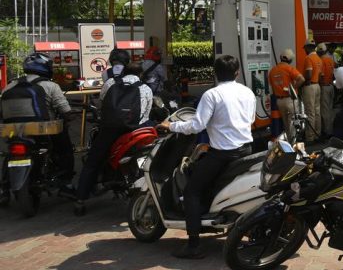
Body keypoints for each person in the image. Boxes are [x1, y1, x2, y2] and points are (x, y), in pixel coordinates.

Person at [158, 55, 256, 259]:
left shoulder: (212, 95)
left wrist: (171, 126)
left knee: (192, 190)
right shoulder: (247, 92)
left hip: (222, 154)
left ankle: (193, 244)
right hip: (246, 149)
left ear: (215, 73)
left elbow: (197, 125)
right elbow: (251, 119)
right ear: (237, 72)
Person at [75, 61, 153, 215]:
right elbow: (146, 112)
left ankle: (80, 200)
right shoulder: (145, 88)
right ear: (141, 74)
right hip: (135, 131)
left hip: (110, 130)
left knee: (92, 162)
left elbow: (102, 104)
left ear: (124, 71)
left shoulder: (110, 83)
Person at [0, 53, 76, 202]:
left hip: (14, 131)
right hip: (43, 131)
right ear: (45, 67)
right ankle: (65, 184)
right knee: (65, 149)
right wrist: (69, 116)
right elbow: (65, 110)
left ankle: (4, 190)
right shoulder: (50, 85)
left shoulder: (10, 85)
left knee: (10, 154)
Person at [268, 49, 305, 140]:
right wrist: (293, 88)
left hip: (279, 101)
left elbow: (272, 86)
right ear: (290, 59)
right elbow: (302, 79)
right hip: (290, 100)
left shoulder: (272, 71)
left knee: (286, 124)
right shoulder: (289, 68)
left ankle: (289, 144)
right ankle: (294, 144)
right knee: (293, 123)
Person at [302, 41, 322, 141]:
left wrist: (306, 81)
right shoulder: (319, 58)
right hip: (317, 85)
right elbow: (320, 75)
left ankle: (310, 137)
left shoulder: (309, 58)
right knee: (317, 111)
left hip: (310, 86)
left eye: (305, 48)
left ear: (308, 47)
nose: (305, 50)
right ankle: (317, 133)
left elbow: (308, 74)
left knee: (310, 112)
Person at [318, 43, 336, 139]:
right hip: (331, 86)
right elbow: (333, 74)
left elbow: (321, 75)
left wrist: (321, 84)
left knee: (324, 111)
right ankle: (330, 129)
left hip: (324, 87)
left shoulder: (321, 60)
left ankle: (327, 132)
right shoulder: (330, 60)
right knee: (329, 109)